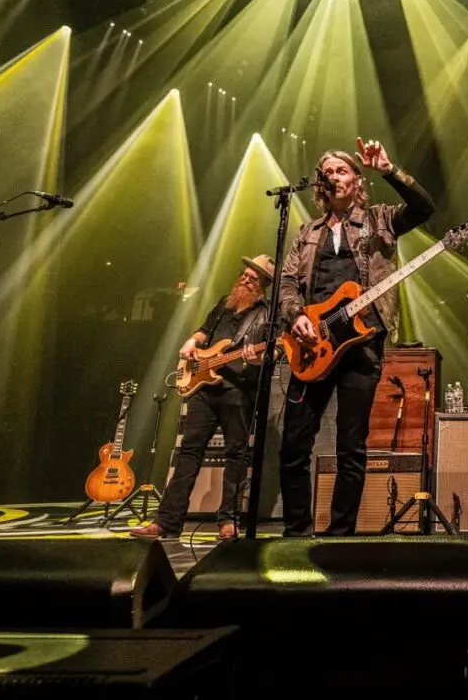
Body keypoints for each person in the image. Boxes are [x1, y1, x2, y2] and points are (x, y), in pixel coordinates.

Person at [279, 138, 434, 536]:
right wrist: (296, 315)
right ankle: (296, 532)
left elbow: (424, 207)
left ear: (357, 180)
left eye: (341, 170)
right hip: (313, 346)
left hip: (362, 344)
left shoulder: (379, 220)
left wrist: (389, 169)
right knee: (295, 444)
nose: (333, 176)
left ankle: (339, 536)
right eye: (327, 171)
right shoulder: (307, 231)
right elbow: (287, 282)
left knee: (351, 445)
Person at [132, 255, 273, 540]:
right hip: (204, 389)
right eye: (244, 274)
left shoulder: (267, 313)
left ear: (263, 286)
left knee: (236, 455)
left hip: (239, 391)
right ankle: (167, 522)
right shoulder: (225, 302)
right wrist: (190, 342)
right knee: (188, 453)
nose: (245, 279)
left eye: (253, 278)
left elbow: (273, 352)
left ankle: (228, 521)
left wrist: (256, 359)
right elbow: (204, 331)